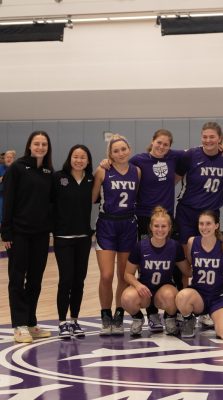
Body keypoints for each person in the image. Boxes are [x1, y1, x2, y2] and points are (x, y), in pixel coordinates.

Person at [2, 132, 53, 343]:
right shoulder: (17, 168)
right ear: (29, 145)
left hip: (40, 235)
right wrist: (5, 231)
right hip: (19, 233)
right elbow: (9, 200)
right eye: (36, 143)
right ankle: (19, 325)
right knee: (17, 279)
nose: (40, 147)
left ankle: (31, 323)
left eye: (44, 144)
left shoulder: (49, 172)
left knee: (35, 280)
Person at [92, 134, 141, 336]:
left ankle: (119, 314)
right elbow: (93, 197)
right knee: (106, 275)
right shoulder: (103, 171)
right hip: (107, 224)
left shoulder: (137, 171)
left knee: (123, 276)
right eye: (115, 150)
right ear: (110, 154)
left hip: (128, 225)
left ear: (129, 149)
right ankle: (105, 314)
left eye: (123, 149)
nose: (120, 153)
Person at [175, 211, 223, 339]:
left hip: (219, 296)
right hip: (199, 295)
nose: (204, 227)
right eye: (201, 224)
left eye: (208, 223)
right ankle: (189, 319)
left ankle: (222, 311)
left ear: (216, 225)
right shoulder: (192, 242)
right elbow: (190, 266)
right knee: (182, 296)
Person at [121, 207, 191, 336]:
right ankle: (138, 318)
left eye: (163, 226)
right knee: (126, 298)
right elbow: (127, 274)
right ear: (151, 227)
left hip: (163, 291)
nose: (160, 230)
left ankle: (169, 318)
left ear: (169, 227)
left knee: (173, 295)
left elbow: (188, 271)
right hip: (144, 291)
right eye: (156, 226)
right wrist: (137, 285)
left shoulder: (174, 246)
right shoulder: (140, 246)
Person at [53, 145, 94, 338]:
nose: (79, 160)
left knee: (79, 280)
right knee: (66, 279)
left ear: (88, 160)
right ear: (70, 158)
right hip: (63, 238)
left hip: (84, 238)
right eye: (75, 156)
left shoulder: (91, 179)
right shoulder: (58, 177)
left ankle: (75, 320)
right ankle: (62, 321)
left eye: (83, 157)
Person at [175, 122, 223, 249]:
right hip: (187, 211)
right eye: (205, 137)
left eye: (212, 137)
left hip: (211, 211)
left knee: (208, 250)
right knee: (186, 251)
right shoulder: (190, 155)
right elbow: (174, 180)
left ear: (220, 138)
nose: (208, 140)